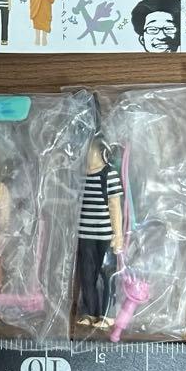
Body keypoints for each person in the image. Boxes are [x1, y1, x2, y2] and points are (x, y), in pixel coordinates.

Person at [76, 137, 123, 328]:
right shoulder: (80, 177)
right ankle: (90, 312)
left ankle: (108, 313)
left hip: (106, 235)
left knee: (107, 274)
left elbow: (115, 206)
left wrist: (118, 234)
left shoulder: (109, 175)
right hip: (84, 235)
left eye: (90, 150)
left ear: (101, 152)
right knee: (87, 275)